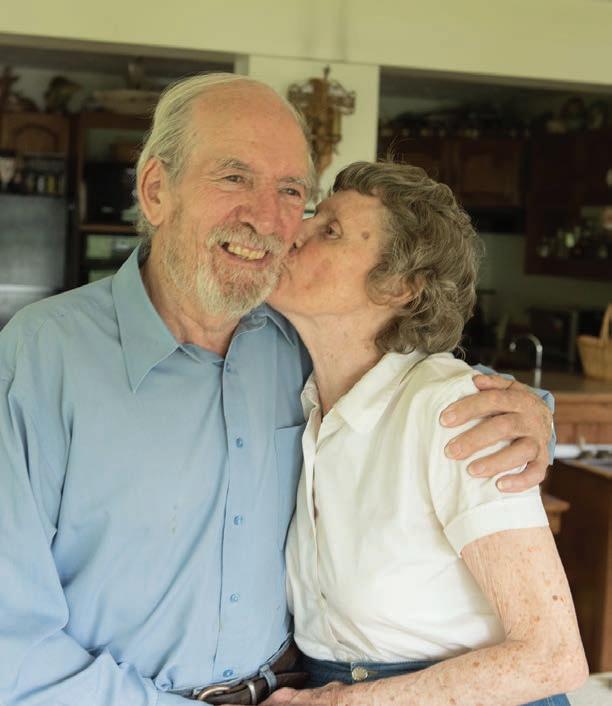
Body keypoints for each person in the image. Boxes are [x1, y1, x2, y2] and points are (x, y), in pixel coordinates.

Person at [0, 74, 553, 706]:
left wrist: (534, 414)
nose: (268, 219)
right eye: (234, 177)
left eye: (291, 191)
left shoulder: (302, 336)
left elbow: (418, 385)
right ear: (156, 191)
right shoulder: (38, 358)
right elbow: (12, 643)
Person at [258, 161, 587, 706]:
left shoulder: (455, 411)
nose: (295, 230)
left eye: (330, 230)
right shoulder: (313, 402)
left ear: (400, 287)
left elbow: (552, 655)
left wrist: (337, 704)